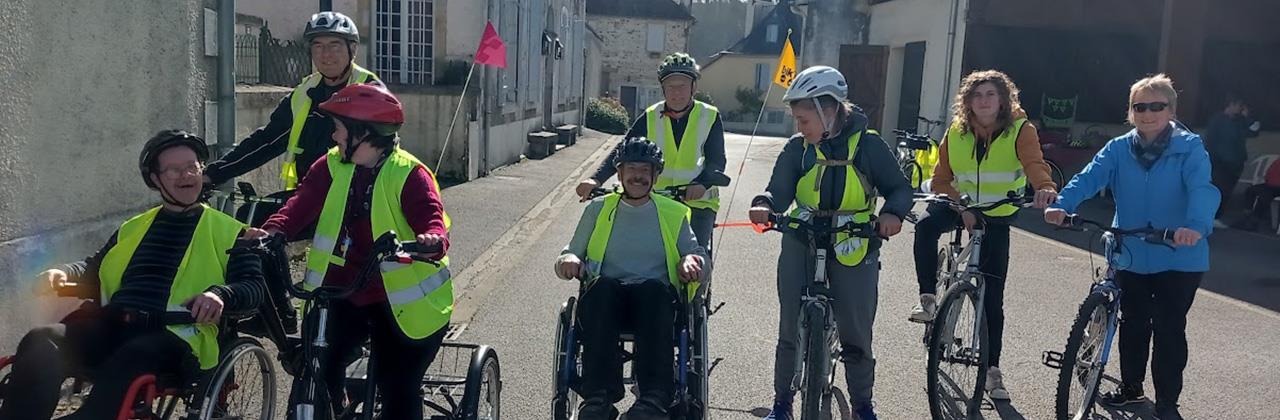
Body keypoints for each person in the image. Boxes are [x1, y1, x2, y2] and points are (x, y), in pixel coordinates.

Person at [0, 130, 266, 420]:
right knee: (42, 338)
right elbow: (95, 269)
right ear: (155, 179)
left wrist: (219, 294)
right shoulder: (133, 227)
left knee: (131, 357)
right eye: (175, 169)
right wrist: (62, 272)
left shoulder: (231, 231)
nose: (186, 175)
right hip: (114, 325)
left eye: (193, 166)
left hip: (174, 335)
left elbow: (252, 287)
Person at [243, 84, 451, 419]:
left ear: (363, 132)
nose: (334, 135)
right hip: (342, 291)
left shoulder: (410, 174)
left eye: (339, 127)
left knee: (397, 385)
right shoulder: (331, 165)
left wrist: (432, 239)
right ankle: (334, 406)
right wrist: (272, 231)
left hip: (401, 302)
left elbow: (431, 217)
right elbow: (301, 203)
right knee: (317, 367)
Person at [1045, 74, 1216, 420]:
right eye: (1140, 106)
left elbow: (1203, 189)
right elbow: (1090, 177)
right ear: (1130, 112)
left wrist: (1194, 227)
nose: (1148, 113)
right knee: (1134, 323)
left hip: (1179, 254)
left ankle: (1167, 403)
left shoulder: (1190, 148)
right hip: (1132, 250)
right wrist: (1063, 204)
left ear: (1171, 110)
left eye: (1157, 106)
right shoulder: (1119, 148)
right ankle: (1131, 389)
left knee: (1168, 328)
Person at [747, 65, 913, 420]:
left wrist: (893, 214)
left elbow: (899, 188)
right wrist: (764, 205)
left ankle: (863, 406)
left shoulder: (869, 146)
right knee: (789, 325)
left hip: (855, 240)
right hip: (801, 235)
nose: (799, 127)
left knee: (856, 331)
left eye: (804, 119)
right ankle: (782, 404)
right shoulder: (798, 149)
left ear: (830, 110)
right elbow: (778, 189)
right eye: (796, 119)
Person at [906, 70, 1058, 401]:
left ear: (1003, 99)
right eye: (977, 95)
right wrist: (961, 208)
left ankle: (992, 370)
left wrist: (1045, 186)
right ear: (968, 102)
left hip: (998, 212)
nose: (984, 101)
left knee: (992, 296)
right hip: (959, 203)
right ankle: (929, 298)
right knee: (925, 225)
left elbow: (1034, 163)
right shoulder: (956, 132)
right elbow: (941, 178)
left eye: (990, 94)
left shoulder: (1021, 129)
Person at [556, 137, 708, 420]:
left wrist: (691, 260)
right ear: (620, 173)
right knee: (601, 289)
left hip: (654, 301)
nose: (638, 175)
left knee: (653, 291)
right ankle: (598, 396)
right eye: (631, 168)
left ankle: (654, 397)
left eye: (645, 169)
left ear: (655, 175)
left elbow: (699, 257)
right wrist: (570, 260)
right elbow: (569, 253)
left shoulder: (674, 213)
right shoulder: (598, 208)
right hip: (608, 298)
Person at [203, 11, 382, 212]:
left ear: (353, 49)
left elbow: (383, 149)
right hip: (310, 194)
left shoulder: (370, 90)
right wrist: (212, 175)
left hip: (357, 198)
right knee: (249, 217)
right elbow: (266, 141)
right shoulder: (305, 93)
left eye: (335, 45)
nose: (326, 54)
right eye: (318, 46)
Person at [575, 52, 727, 256]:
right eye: (671, 86)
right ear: (663, 88)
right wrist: (596, 180)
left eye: (682, 85)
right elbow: (623, 150)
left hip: (698, 202)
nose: (676, 92)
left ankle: (699, 287)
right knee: (644, 255)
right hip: (656, 199)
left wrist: (703, 184)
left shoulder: (709, 115)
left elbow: (717, 160)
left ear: (693, 87)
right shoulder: (651, 115)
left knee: (695, 259)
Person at [1204, 95, 1262, 226]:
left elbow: (1254, 131)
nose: (1239, 109)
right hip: (1219, 162)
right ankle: (1210, 216)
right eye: (1238, 105)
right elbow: (1211, 141)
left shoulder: (1239, 121)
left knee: (1227, 190)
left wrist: (1247, 117)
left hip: (1235, 162)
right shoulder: (1218, 120)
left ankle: (1217, 216)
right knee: (1217, 188)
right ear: (1230, 105)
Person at [1234, 157, 1280, 231]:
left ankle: (1254, 221)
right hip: (1271, 184)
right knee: (1251, 190)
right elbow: (1270, 173)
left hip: (1276, 187)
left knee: (1264, 196)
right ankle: (1247, 215)